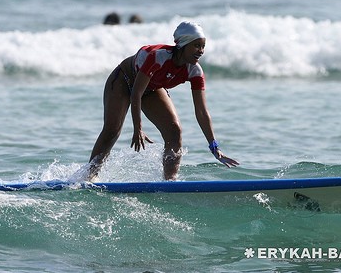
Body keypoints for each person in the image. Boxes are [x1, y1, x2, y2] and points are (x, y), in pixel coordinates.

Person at [87, 21, 239, 181]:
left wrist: (213, 146)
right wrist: (138, 127)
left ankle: (170, 181)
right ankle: (89, 176)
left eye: (203, 46)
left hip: (151, 88)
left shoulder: (194, 70)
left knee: (174, 130)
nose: (200, 51)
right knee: (112, 130)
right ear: (182, 44)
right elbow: (136, 93)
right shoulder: (158, 57)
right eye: (196, 46)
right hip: (123, 81)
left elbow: (201, 111)